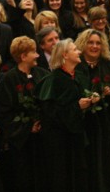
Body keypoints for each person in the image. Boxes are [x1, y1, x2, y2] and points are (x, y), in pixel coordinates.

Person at [75, 29, 110, 192]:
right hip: (83, 125)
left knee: (105, 162)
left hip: (105, 123)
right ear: (83, 44)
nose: (94, 46)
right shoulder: (77, 65)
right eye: (90, 42)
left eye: (98, 43)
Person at [35, 39, 92, 192]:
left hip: (75, 136)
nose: (79, 52)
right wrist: (76, 106)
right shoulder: (54, 79)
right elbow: (50, 113)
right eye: (75, 49)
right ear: (65, 55)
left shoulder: (77, 76)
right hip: (59, 141)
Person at [0, 36, 49, 192]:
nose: (38, 55)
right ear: (23, 56)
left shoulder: (42, 74)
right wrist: (27, 127)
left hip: (42, 139)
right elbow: (4, 112)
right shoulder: (9, 79)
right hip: (22, 143)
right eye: (33, 52)